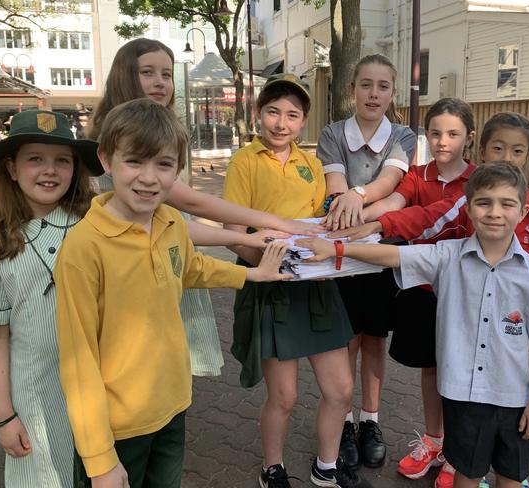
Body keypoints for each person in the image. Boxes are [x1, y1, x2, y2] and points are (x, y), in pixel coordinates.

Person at [54, 98, 291, 488]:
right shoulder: (84, 248)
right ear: (106, 159)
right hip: (117, 427)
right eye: (134, 161)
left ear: (177, 170)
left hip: (172, 404)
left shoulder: (169, 222)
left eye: (163, 164)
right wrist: (99, 462)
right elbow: (78, 360)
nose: (149, 178)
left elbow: (190, 268)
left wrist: (252, 276)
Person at [331, 112, 529, 487]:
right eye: (498, 148)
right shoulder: (466, 203)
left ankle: (502, 468)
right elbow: (424, 218)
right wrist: (374, 228)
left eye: (517, 150)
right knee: (444, 376)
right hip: (467, 320)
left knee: (516, 417)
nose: (507, 156)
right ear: (483, 151)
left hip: (519, 337)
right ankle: (447, 450)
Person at [89, 37, 321, 377]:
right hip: (133, 270)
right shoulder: (116, 138)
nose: (160, 83)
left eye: (167, 74)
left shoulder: (157, 132)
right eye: (148, 73)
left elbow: (178, 227)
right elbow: (193, 202)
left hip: (169, 259)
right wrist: (272, 226)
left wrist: (258, 243)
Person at [223, 74, 371, 488]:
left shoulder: (311, 164)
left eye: (292, 114)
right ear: (258, 114)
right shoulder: (245, 161)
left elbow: (320, 223)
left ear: (303, 121)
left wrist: (331, 242)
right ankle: (273, 468)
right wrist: (268, 264)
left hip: (317, 288)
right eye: (273, 112)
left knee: (341, 389)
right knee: (284, 397)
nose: (281, 123)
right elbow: (234, 226)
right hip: (272, 286)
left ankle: (326, 467)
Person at [0, 109, 104, 487]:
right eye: (35, 159)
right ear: (11, 168)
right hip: (35, 395)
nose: (50, 170)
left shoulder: (98, 226)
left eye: (62, 160)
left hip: (105, 387)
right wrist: (5, 417)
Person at [349, 98, 476, 485]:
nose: (443, 141)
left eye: (453, 134)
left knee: (461, 372)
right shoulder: (417, 175)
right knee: (430, 368)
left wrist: (375, 225)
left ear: (468, 138)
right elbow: (395, 201)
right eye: (435, 133)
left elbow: (419, 220)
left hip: (467, 294)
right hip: (422, 290)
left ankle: (459, 453)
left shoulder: (478, 181)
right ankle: (434, 441)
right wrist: (357, 208)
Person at [315, 53, 416, 470]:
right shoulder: (332, 133)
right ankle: (346, 421)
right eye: (366, 85)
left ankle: (370, 421)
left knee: (375, 339)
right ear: (351, 89)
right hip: (341, 251)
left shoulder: (405, 135)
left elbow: (393, 185)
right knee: (347, 341)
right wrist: (351, 200)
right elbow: (334, 189)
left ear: (393, 92)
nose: (374, 94)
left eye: (383, 86)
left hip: (379, 250)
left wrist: (359, 203)